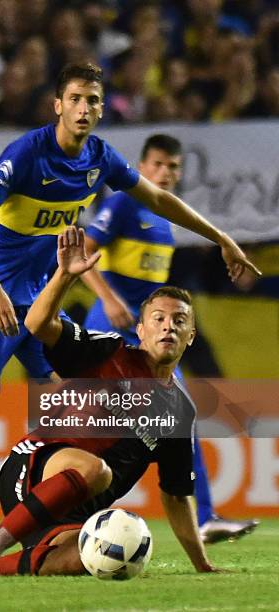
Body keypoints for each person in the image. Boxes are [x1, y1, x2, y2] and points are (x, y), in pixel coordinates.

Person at [0, 62, 260, 556]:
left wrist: (221, 237)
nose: (84, 108)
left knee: (68, 403)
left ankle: (49, 520)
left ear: (101, 108)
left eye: (93, 100)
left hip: (41, 293)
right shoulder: (28, 154)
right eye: (75, 98)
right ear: (58, 104)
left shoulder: (99, 157)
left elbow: (158, 198)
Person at [0, 226, 219, 579]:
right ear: (140, 329)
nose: (168, 328)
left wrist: (201, 564)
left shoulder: (178, 411)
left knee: (92, 561)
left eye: (179, 322)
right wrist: (65, 276)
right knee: (97, 470)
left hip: (73, 510)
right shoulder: (107, 350)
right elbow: (37, 323)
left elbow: (175, 496)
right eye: (158, 319)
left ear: (191, 336)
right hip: (32, 470)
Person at [82, 133, 258, 544]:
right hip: (110, 331)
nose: (165, 173)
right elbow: (84, 254)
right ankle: (68, 513)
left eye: (173, 167)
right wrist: (108, 298)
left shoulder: (163, 222)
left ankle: (207, 517)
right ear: (142, 167)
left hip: (143, 337)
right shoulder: (124, 203)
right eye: (158, 164)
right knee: (99, 426)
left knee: (182, 415)